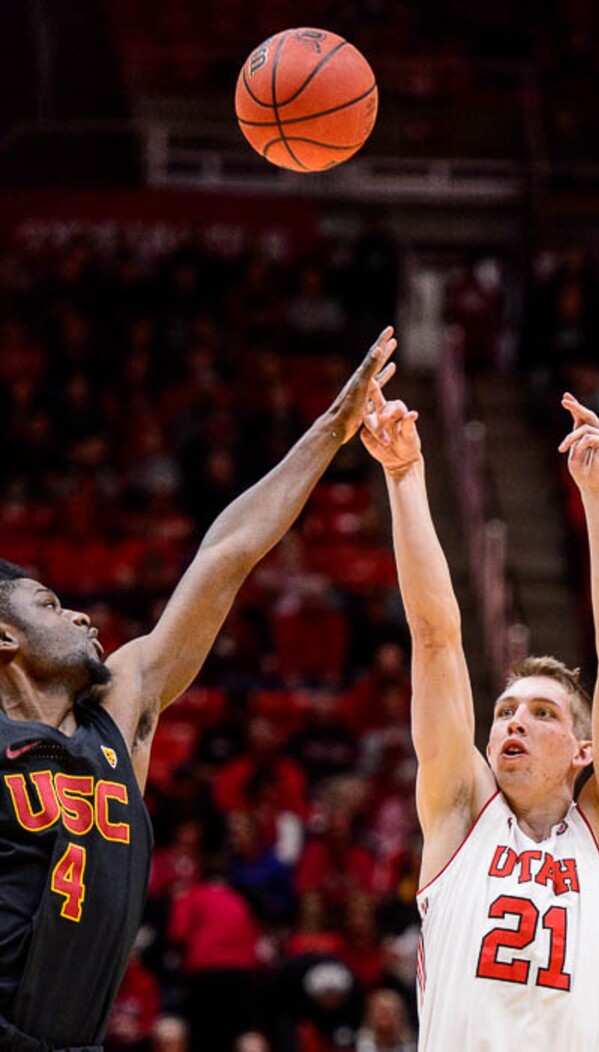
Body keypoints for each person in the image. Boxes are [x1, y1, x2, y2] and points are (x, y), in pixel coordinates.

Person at [0, 327, 397, 1052]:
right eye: (50, 607)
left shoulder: (116, 715)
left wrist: (327, 433)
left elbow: (224, 557)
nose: (82, 614)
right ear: (4, 639)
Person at [361, 375, 599, 1050]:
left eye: (543, 713)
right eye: (505, 711)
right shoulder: (461, 809)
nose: (514, 722)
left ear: (585, 751)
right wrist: (405, 479)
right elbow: (435, 639)